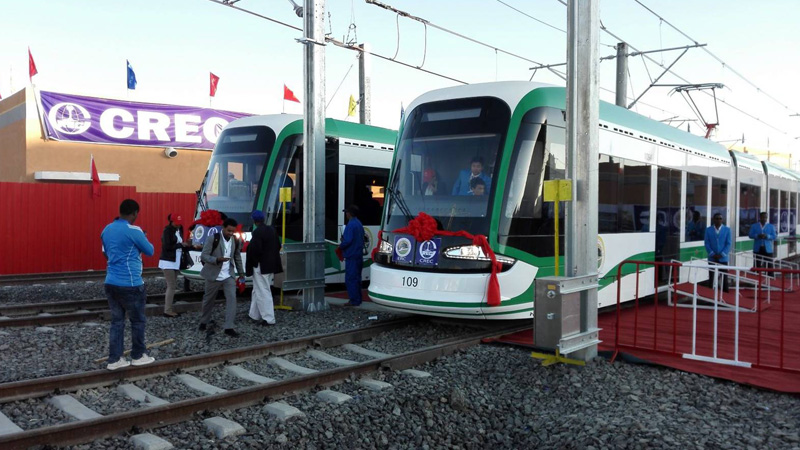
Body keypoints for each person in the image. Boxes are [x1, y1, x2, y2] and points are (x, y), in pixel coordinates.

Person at [100, 199, 156, 370]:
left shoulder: (107, 229)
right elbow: (150, 251)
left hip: (111, 281)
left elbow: (106, 253)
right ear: (134, 213)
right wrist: (143, 238)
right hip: (131, 283)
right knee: (137, 321)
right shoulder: (135, 230)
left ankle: (114, 359)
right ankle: (138, 355)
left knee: (117, 322)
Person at [199, 218, 245, 337]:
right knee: (208, 300)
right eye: (229, 230)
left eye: (232, 231)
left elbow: (237, 256)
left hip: (228, 275)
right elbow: (204, 256)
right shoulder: (213, 238)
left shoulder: (235, 240)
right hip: (213, 274)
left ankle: (229, 327)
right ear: (223, 228)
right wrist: (216, 260)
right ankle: (204, 321)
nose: (230, 233)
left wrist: (241, 273)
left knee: (232, 299)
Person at [246, 210, 283, 326]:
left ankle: (268, 318)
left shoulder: (257, 233)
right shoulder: (272, 230)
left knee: (263, 291)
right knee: (257, 289)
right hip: (272, 265)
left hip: (261, 266)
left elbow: (255, 250)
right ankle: (254, 314)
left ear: (254, 220)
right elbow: (278, 245)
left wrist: (253, 263)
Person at [158, 213, 191, 317]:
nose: (178, 225)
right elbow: (167, 246)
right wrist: (181, 244)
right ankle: (167, 310)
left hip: (175, 262)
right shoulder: (167, 231)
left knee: (172, 286)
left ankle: (168, 308)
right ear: (171, 221)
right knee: (171, 286)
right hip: (168, 261)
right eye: (176, 223)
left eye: (179, 223)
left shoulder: (179, 229)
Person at [339, 205, 364, 306]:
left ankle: (354, 300)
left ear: (350, 214)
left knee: (351, 279)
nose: (346, 214)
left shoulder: (351, 224)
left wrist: (342, 244)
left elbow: (348, 240)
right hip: (358, 254)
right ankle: (358, 298)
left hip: (351, 255)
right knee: (357, 278)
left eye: (347, 212)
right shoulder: (358, 223)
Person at [704, 213, 731, 292]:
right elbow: (707, 243)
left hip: (723, 258)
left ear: (722, 220)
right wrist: (712, 253)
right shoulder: (708, 230)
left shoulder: (727, 230)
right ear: (713, 219)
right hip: (712, 257)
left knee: (724, 278)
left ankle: (726, 296)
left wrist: (722, 254)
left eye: (720, 218)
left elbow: (728, 244)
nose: (718, 220)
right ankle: (710, 295)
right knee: (711, 277)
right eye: (717, 218)